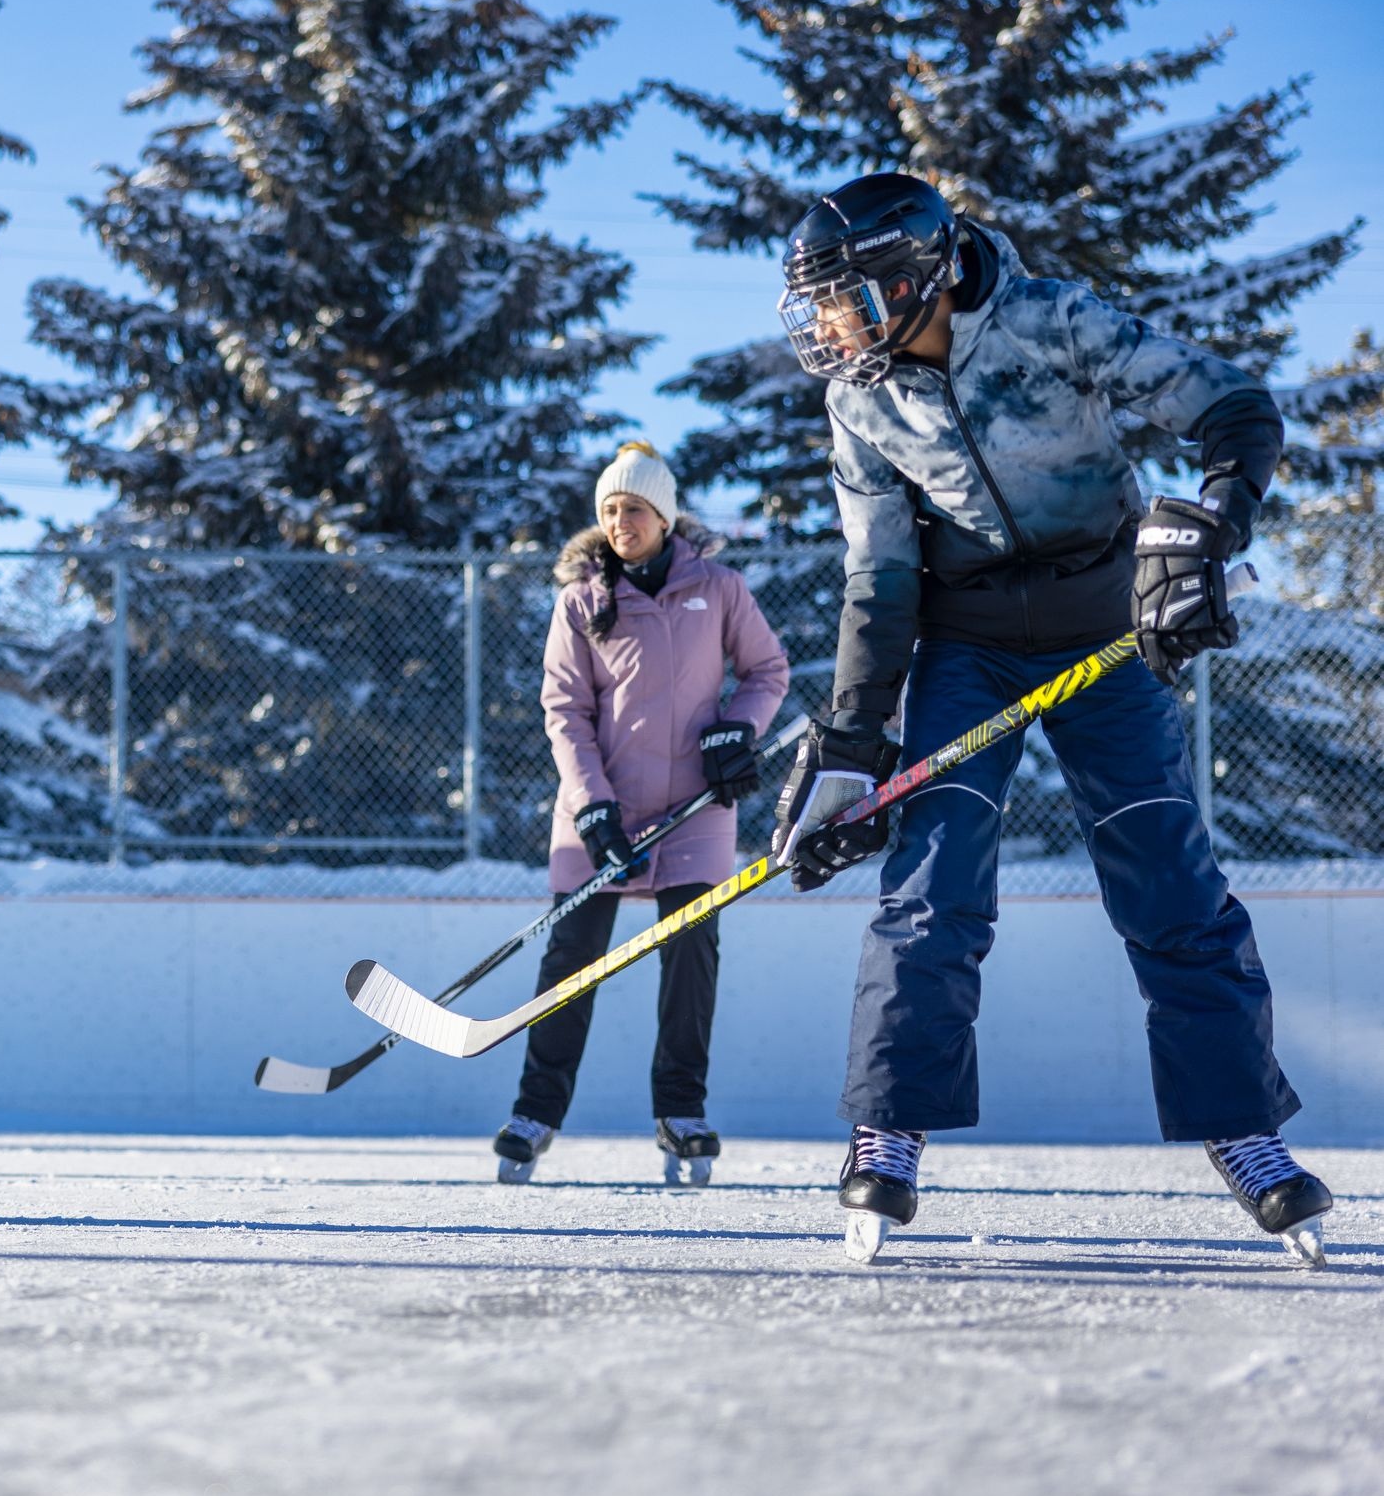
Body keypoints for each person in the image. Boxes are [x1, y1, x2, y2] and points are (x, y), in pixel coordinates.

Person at [769, 172, 1332, 1264]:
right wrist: (848, 745)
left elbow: (1234, 406)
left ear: (908, 277)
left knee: (1168, 875)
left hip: (1104, 631)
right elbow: (877, 580)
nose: (827, 325)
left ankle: (1243, 1128)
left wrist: (1209, 527)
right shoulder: (858, 399)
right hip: (965, 645)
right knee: (931, 881)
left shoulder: (1049, 321)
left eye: (842, 297)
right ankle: (888, 1128)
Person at [493, 443, 790, 1186]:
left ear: (663, 515)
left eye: (632, 509)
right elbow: (564, 709)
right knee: (572, 957)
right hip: (599, 804)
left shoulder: (718, 588)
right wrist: (593, 808)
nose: (619, 522)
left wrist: (739, 729)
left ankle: (680, 1111)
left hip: (694, 806)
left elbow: (768, 671)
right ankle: (536, 1112)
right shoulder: (582, 600)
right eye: (609, 511)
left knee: (691, 951)